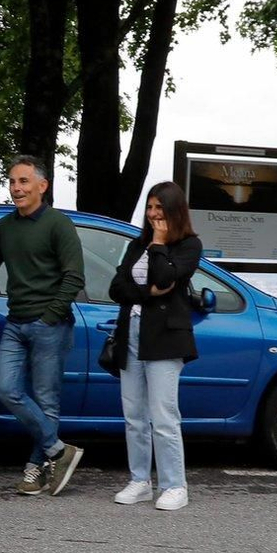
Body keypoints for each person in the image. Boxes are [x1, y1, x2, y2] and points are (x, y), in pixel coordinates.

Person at [0, 156, 85, 496]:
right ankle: (58, 451)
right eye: (12, 182)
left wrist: (50, 316)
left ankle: (35, 469)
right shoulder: (7, 226)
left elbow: (74, 276)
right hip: (15, 322)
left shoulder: (58, 224)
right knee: (7, 390)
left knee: (46, 400)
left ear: (42, 186)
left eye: (23, 181)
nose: (16, 188)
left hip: (50, 325)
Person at [105, 181, 202, 512]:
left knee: (163, 416)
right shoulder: (137, 244)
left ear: (174, 209)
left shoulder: (189, 245)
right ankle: (140, 480)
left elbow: (165, 278)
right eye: (149, 207)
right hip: (130, 332)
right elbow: (117, 288)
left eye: (159, 207)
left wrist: (159, 244)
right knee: (134, 414)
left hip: (165, 337)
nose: (153, 213)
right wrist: (147, 293)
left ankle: (175, 485)